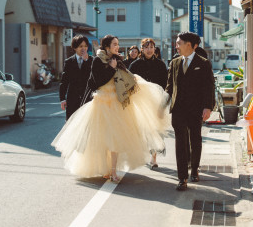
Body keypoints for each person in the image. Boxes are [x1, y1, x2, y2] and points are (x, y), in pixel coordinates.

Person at [52, 35, 169, 183]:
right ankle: (106, 169)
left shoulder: (118, 59)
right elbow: (96, 83)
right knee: (102, 139)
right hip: (102, 103)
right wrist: (111, 69)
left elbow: (126, 76)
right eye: (115, 44)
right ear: (107, 46)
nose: (117, 47)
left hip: (117, 103)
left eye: (118, 44)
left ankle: (113, 171)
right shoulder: (97, 60)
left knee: (116, 138)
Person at [166, 32, 214, 191]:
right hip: (178, 109)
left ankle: (194, 169)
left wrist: (208, 107)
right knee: (180, 143)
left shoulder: (204, 63)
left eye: (179, 43)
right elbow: (169, 87)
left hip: (196, 109)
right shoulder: (174, 63)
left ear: (189, 45)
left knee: (195, 138)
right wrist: (163, 104)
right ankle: (182, 178)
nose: (176, 46)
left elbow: (209, 87)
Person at [129, 38, 168, 168]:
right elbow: (129, 83)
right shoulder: (135, 65)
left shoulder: (161, 65)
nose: (149, 50)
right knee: (142, 130)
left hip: (157, 102)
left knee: (156, 129)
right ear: (142, 49)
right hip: (140, 103)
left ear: (155, 49)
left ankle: (153, 158)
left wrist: (164, 103)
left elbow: (165, 85)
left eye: (151, 47)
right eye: (146, 47)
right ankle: (144, 153)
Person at [59, 35, 93, 120]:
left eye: (85, 46)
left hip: (88, 99)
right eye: (80, 46)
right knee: (71, 125)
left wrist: (86, 61)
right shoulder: (69, 62)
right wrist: (62, 99)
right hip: (72, 99)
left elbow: (92, 78)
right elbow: (64, 81)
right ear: (75, 47)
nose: (83, 49)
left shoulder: (92, 60)